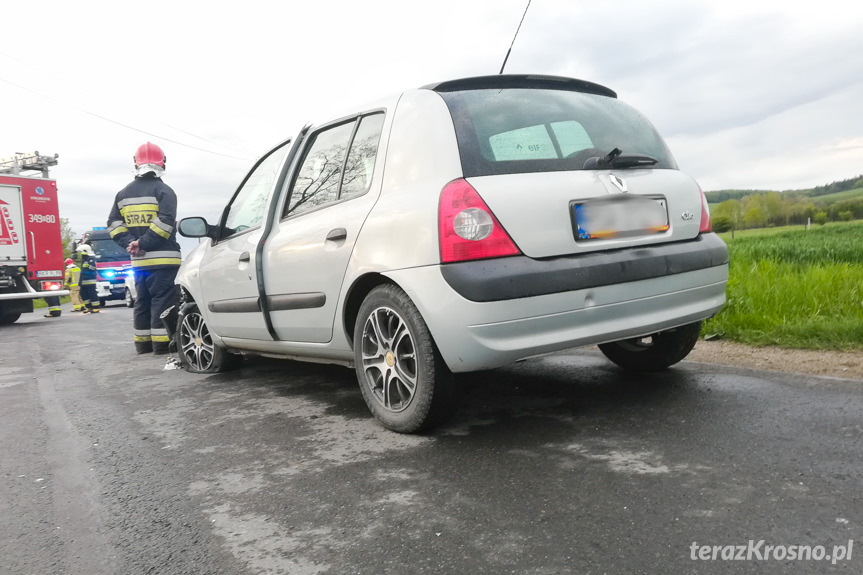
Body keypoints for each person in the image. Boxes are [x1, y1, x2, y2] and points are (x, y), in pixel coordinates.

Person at [106, 142, 181, 355]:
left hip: (139, 263)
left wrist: (130, 243)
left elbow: (113, 224)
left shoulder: (122, 194)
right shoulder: (164, 191)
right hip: (164, 261)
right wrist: (143, 243)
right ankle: (162, 345)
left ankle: (143, 344)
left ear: (135, 163)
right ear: (162, 163)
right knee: (163, 302)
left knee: (142, 302)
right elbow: (165, 222)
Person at [77, 244, 100, 314]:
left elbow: (93, 268)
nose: (81, 254)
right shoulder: (84, 259)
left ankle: (95, 307)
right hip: (84, 281)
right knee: (83, 293)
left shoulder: (91, 258)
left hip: (90, 280)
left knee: (92, 294)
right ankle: (89, 307)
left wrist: (88, 265)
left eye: (81, 252)